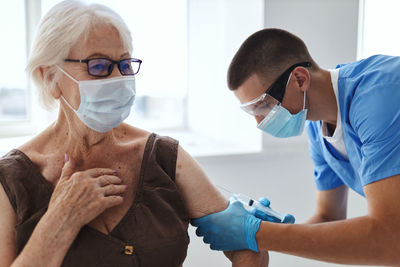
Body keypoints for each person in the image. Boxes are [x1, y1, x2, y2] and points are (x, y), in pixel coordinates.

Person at [0, 1, 269, 266]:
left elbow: (245, 243)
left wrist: (255, 233)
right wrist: (60, 221)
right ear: (50, 78)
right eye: (98, 66)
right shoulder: (12, 180)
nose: (118, 79)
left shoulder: (163, 157)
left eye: (125, 65)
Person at [191, 28, 400, 265]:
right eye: (251, 111)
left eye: (263, 105)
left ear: (300, 79)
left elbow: (390, 239)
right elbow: (329, 216)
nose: (259, 122)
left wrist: (257, 234)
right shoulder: (317, 127)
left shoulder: (380, 96)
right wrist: (269, 230)